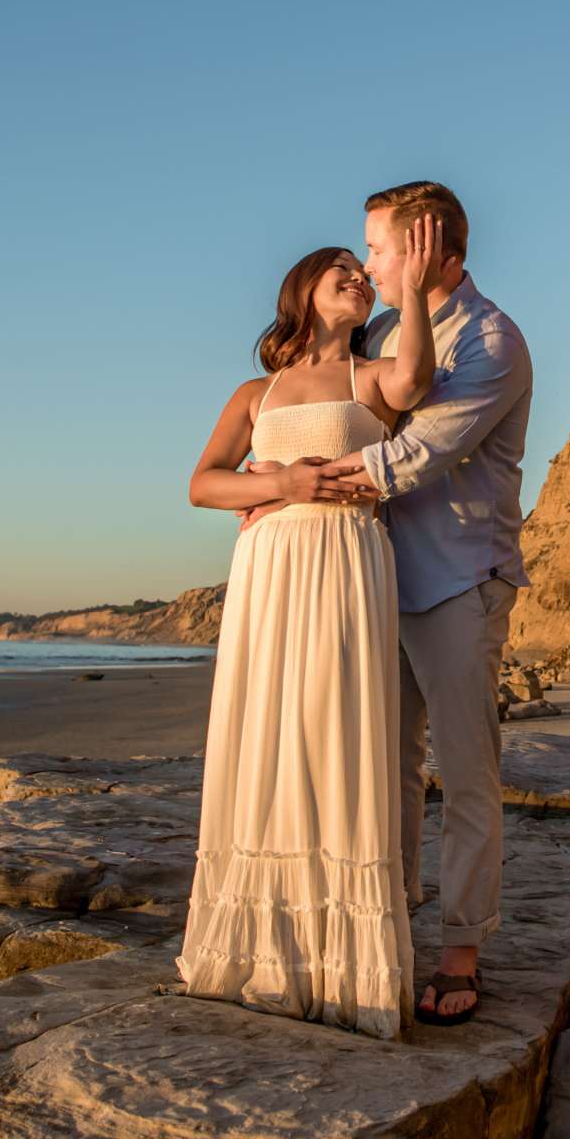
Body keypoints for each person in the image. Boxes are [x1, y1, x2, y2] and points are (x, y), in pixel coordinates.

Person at [243, 180, 532, 1026]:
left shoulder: (491, 340)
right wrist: (273, 481)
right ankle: (387, 932)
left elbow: (416, 454)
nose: (365, 265)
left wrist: (293, 487)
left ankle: (461, 949)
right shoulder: (373, 333)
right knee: (385, 769)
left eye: (376, 248)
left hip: (456, 578)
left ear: (425, 244)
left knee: (467, 769)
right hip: (368, 580)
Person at [175, 216, 442, 1040]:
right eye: (341, 273)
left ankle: (343, 962)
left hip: (343, 564)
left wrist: (422, 293)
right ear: (302, 293)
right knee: (267, 734)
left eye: (362, 276)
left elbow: (417, 383)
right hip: (270, 570)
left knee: (333, 731)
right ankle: (258, 946)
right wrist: (280, 482)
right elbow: (200, 484)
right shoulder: (253, 395)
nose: (358, 281)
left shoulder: (370, 377)